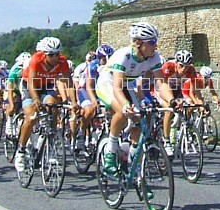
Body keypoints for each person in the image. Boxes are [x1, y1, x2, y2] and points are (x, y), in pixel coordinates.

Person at [95, 22, 177, 177]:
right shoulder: (124, 56)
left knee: (138, 120)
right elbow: (117, 88)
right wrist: (126, 105)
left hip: (128, 83)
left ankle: (132, 163)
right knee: (122, 111)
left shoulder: (154, 57)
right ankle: (110, 153)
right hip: (109, 83)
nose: (156, 46)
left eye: (155, 42)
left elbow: (161, 83)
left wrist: (173, 101)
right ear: (139, 43)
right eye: (152, 42)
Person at [15, 37, 77, 173]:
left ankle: (51, 138)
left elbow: (69, 83)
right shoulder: (36, 59)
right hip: (29, 86)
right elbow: (31, 83)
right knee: (31, 117)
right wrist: (36, 99)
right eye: (51, 55)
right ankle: (21, 150)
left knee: (53, 106)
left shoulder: (62, 61)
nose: (55, 57)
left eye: (57, 54)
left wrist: (74, 103)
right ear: (44, 54)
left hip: (46, 85)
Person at [71, 44, 113, 150]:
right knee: (90, 110)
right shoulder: (92, 66)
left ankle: (101, 132)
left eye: (109, 58)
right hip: (85, 89)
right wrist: (94, 101)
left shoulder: (113, 65)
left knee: (110, 111)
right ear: (99, 59)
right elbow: (89, 87)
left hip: (101, 90)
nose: (107, 61)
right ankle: (81, 132)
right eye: (104, 59)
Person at [155, 49, 197, 155]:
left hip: (176, 89)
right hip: (161, 89)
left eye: (186, 66)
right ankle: (167, 141)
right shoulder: (168, 67)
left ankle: (179, 129)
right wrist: (173, 101)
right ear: (176, 62)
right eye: (181, 65)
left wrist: (195, 102)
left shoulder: (191, 70)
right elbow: (163, 86)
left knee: (190, 105)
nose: (184, 69)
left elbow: (193, 90)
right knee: (170, 108)